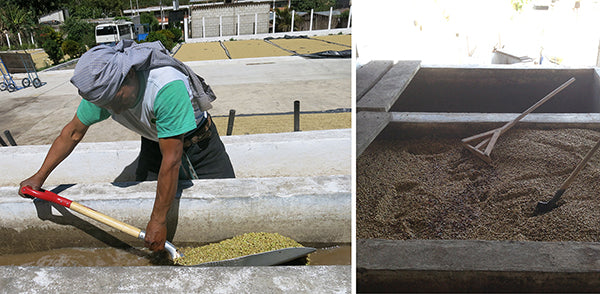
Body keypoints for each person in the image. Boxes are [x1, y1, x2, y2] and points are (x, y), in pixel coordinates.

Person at [18, 40, 235, 253]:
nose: (111, 109)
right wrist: (39, 176)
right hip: (154, 142)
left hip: (199, 143)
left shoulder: (166, 87)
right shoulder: (104, 92)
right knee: (151, 195)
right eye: (104, 103)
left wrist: (158, 222)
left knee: (228, 206)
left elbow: (172, 160)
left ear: (130, 74)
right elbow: (72, 133)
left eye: (113, 99)